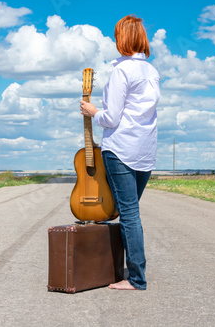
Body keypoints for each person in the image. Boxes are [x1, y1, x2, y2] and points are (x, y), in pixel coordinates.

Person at [80, 15, 160, 290]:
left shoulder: (121, 71)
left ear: (122, 39)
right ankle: (120, 268)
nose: (115, 41)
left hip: (121, 149)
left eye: (116, 36)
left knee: (127, 214)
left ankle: (136, 278)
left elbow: (112, 117)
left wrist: (92, 111)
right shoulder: (152, 72)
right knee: (129, 212)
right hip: (146, 151)